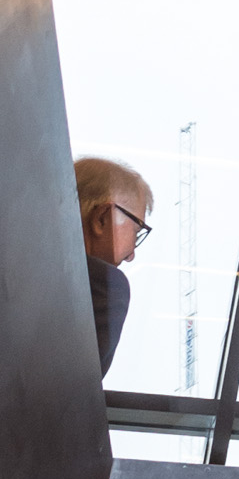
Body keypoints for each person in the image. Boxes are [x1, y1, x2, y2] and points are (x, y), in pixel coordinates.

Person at [76, 156, 152, 380]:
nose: (131, 255)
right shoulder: (104, 285)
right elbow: (70, 392)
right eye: (136, 232)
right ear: (101, 219)